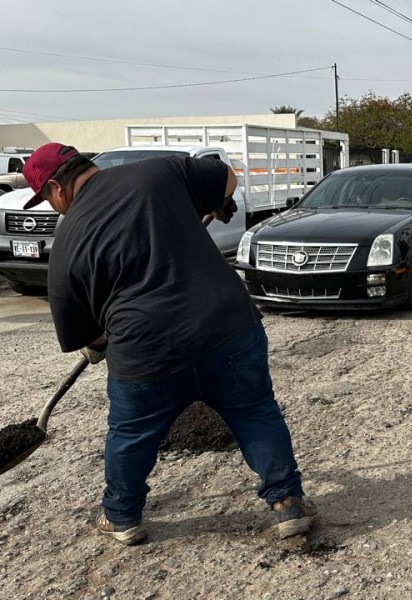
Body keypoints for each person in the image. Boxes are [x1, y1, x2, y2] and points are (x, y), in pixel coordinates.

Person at [22, 143, 317, 545]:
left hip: (147, 353)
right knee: (255, 412)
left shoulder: (66, 243)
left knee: (130, 433)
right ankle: (288, 503)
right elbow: (227, 177)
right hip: (227, 327)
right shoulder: (158, 171)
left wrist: (99, 343)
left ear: (57, 187)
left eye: (46, 198)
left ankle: (122, 517)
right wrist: (219, 198)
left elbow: (86, 336)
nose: (53, 207)